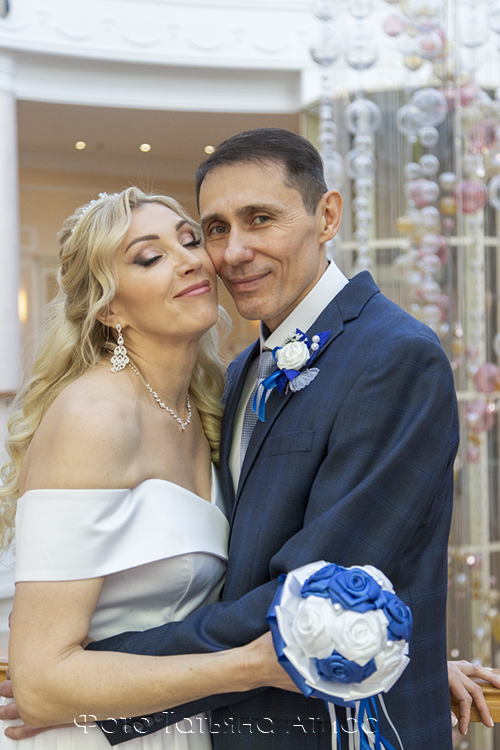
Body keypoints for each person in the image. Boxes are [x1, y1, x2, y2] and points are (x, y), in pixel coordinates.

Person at [1, 130, 499, 746]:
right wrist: (67, 681)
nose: (228, 252)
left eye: (259, 219)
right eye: (214, 229)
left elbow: (318, 592)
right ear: (107, 307)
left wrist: (88, 678)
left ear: (327, 216)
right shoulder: (234, 378)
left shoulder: (394, 357)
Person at [0, 187, 296, 748]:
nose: (190, 259)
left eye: (190, 240)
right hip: (86, 735)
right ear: (108, 309)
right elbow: (38, 685)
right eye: (150, 256)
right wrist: (250, 667)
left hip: (176, 722)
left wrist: (366, 658)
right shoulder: (94, 416)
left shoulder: (213, 405)